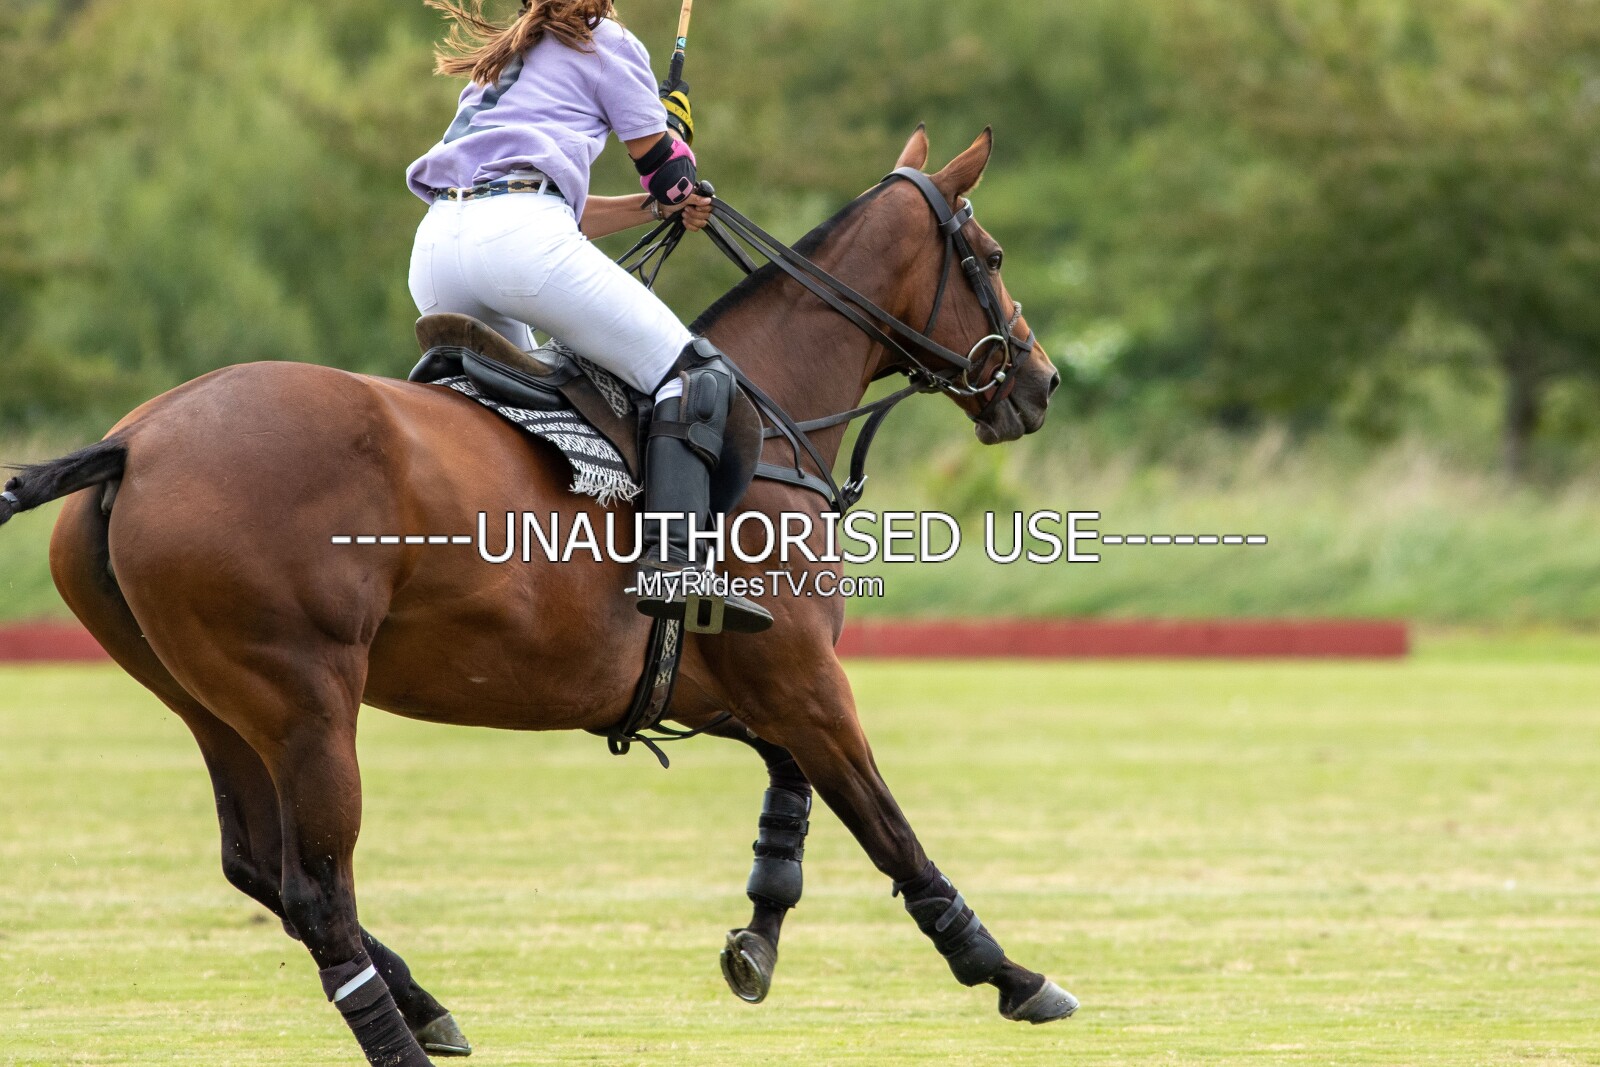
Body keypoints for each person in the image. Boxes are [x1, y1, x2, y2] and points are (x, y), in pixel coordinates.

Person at [406, 0, 772, 634]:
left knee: (515, 419)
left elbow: (553, 199)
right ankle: (676, 567)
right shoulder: (607, 39)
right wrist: (673, 137)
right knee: (694, 376)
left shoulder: (510, 52)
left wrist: (651, 206)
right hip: (518, 240)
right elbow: (673, 180)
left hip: (439, 248)